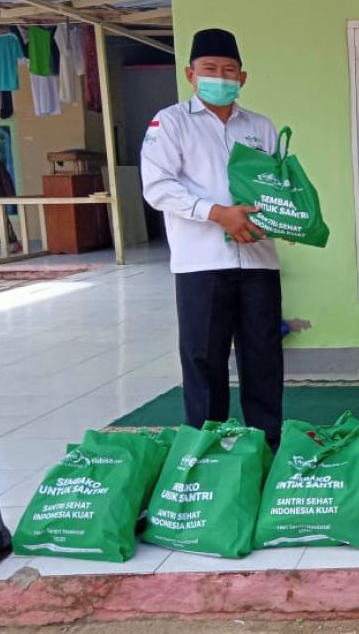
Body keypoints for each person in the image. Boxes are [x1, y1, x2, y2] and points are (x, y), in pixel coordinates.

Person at [141, 28, 285, 449]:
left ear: (242, 78)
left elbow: (277, 185)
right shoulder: (169, 123)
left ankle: (267, 442)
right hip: (200, 262)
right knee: (204, 358)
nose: (219, 77)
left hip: (258, 260)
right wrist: (217, 214)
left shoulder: (261, 126)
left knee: (263, 356)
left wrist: (288, 220)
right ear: (190, 74)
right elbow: (158, 187)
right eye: (209, 69)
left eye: (228, 70)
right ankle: (206, 449)